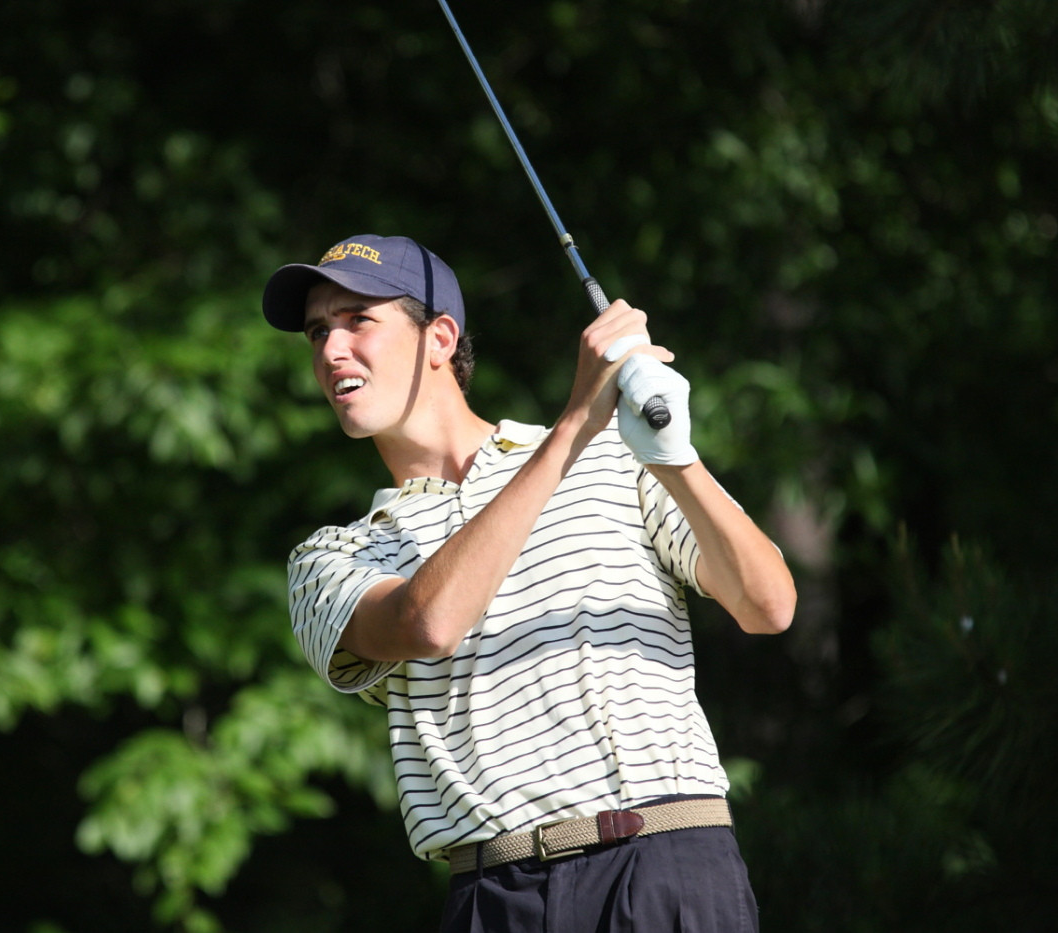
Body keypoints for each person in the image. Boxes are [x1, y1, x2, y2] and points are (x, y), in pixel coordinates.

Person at [262, 233, 795, 932]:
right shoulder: (333, 556)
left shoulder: (615, 454)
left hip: (671, 860)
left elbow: (768, 604)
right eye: (316, 331)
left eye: (357, 319)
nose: (330, 351)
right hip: (501, 894)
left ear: (440, 338)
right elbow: (429, 624)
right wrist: (573, 425)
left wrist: (679, 458)